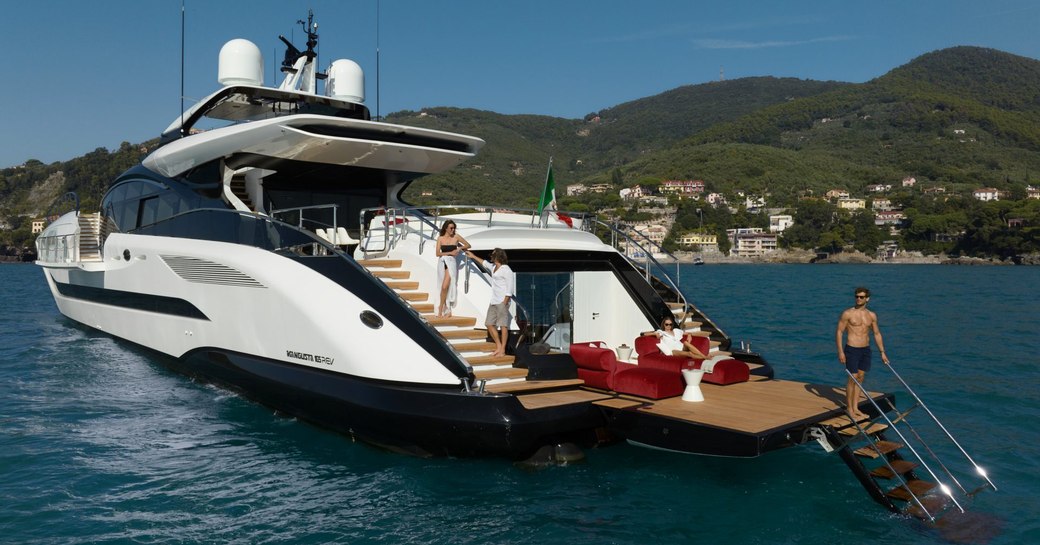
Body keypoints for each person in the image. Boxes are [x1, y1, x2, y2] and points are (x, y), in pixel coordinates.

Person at [836, 287, 889, 420]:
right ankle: (849, 409)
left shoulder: (871, 315)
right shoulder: (848, 313)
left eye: (861, 297)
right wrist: (841, 351)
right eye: (856, 296)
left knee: (860, 378)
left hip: (865, 349)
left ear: (867, 299)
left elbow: (876, 333)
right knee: (852, 378)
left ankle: (856, 407)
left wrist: (882, 352)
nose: (858, 299)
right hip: (852, 349)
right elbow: (839, 332)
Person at [466, 248, 514, 357]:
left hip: (502, 301)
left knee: (503, 326)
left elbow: (510, 288)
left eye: (492, 255)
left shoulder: (506, 270)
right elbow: (484, 263)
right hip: (493, 301)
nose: (490, 257)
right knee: (488, 323)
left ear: (498, 256)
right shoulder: (494, 268)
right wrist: (473, 256)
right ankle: (498, 346)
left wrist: (505, 301)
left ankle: (502, 350)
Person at [435, 220, 470, 317]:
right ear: (445, 228)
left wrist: (459, 248)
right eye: (451, 228)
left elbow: (468, 245)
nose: (453, 230)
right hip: (442, 262)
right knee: (442, 285)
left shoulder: (456, 237)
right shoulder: (440, 238)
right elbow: (437, 253)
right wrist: (450, 253)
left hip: (451, 263)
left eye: (454, 228)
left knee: (445, 286)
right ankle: (443, 306)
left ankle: (442, 307)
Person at [641, 316, 710, 360]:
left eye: (670, 324)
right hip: (674, 351)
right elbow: (643, 334)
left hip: (682, 348)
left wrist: (689, 335)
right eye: (666, 324)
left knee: (685, 342)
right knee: (689, 353)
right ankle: (705, 357)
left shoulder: (676, 331)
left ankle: (703, 356)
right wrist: (655, 333)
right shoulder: (661, 332)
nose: (668, 326)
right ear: (664, 325)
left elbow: (688, 333)